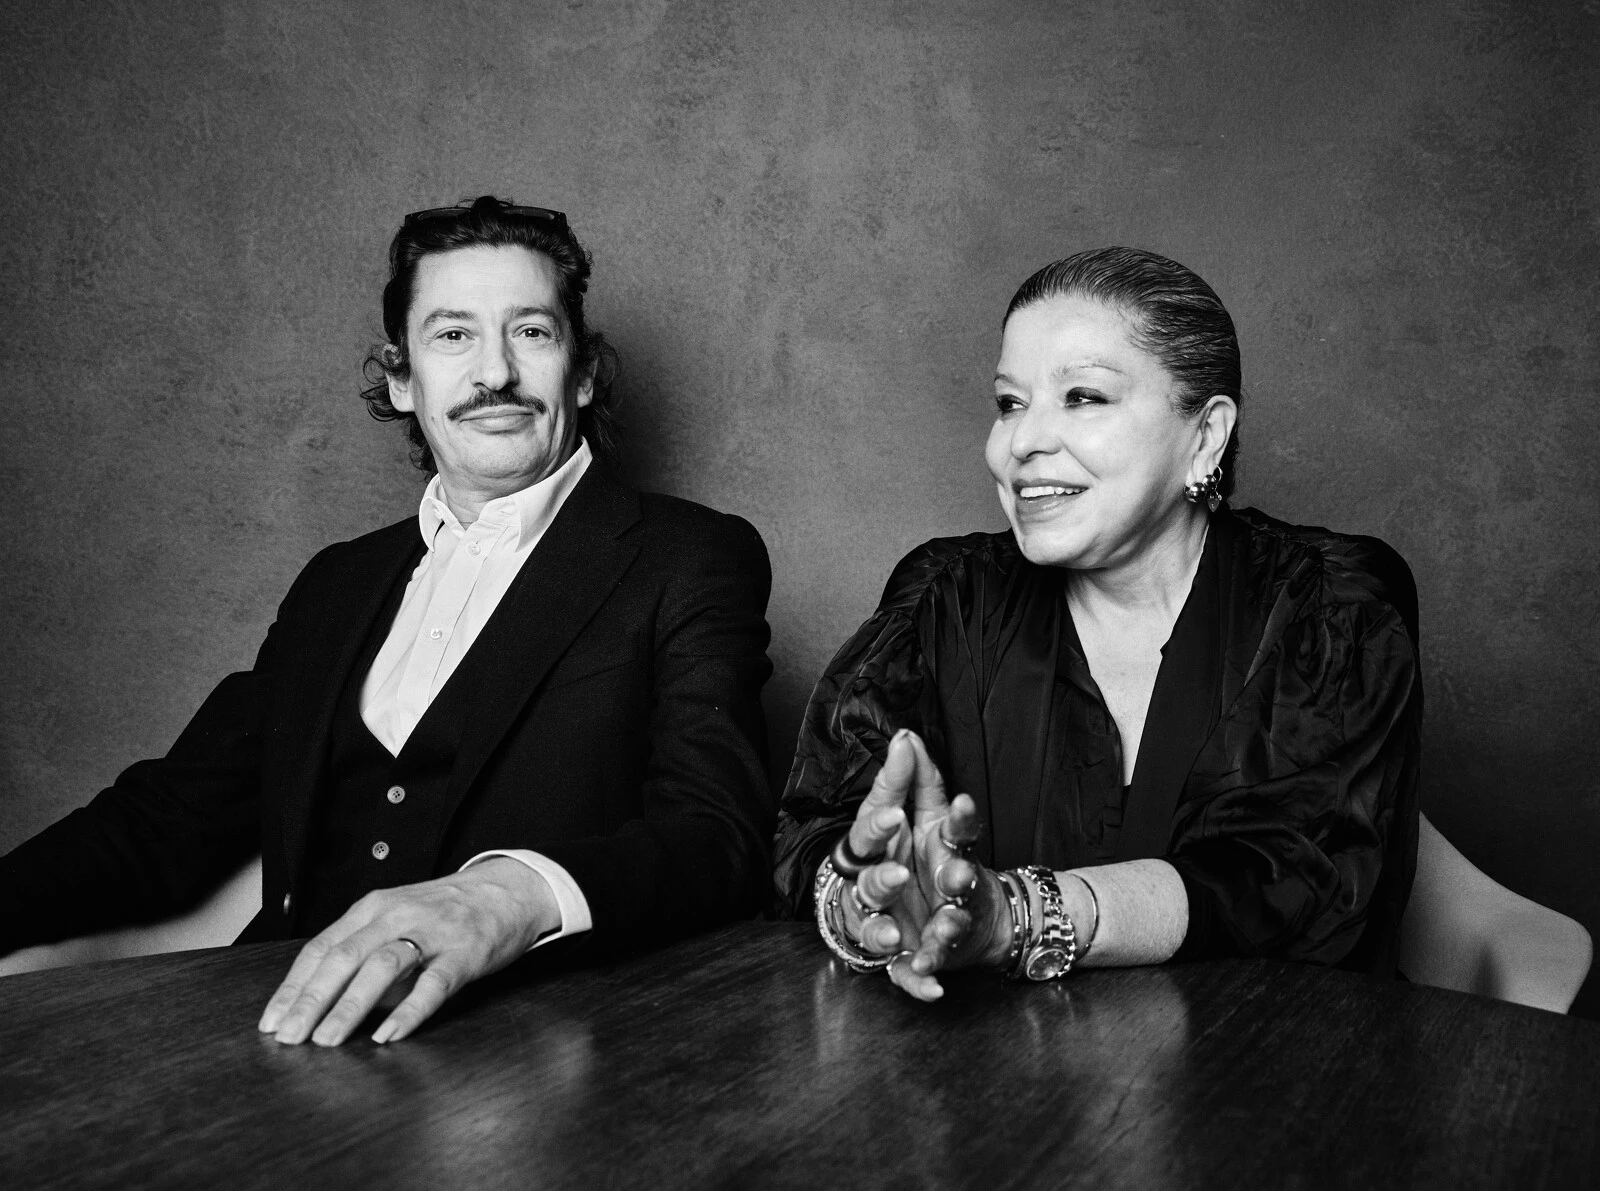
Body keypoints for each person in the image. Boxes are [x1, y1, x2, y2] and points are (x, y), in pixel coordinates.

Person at [0, 196, 775, 1041]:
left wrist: (507, 895)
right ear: (402, 379)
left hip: (529, 1042)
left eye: (531, 332)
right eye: (453, 335)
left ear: (582, 373)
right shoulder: (336, 582)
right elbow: (168, 815)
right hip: (278, 1022)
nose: (495, 374)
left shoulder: (688, 556)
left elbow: (717, 836)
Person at [775, 247, 1421, 1001]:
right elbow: (816, 838)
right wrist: (865, 901)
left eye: (1082, 396)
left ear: (1206, 436)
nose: (1021, 442)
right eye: (1009, 403)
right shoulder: (946, 599)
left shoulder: (1329, 608)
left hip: (1255, 1054)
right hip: (987, 1062)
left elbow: (1285, 881)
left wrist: (1017, 918)